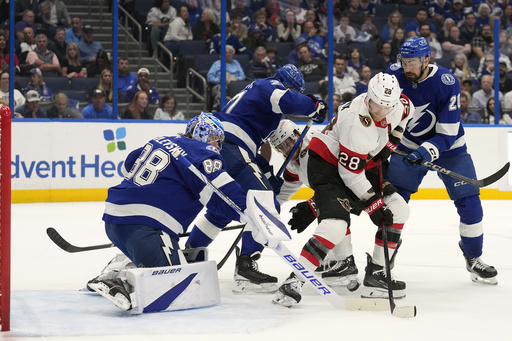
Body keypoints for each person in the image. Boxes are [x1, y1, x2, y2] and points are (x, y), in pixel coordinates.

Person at [87, 112, 290, 312]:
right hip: (147, 226)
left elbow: (127, 165)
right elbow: (224, 192)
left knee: (176, 271)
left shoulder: (161, 139)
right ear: (202, 133)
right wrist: (254, 217)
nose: (218, 146)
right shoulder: (202, 152)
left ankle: (120, 263)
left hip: (115, 217)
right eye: (215, 139)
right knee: (176, 287)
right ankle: (119, 281)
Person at [272, 73, 414, 306]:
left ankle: (377, 274)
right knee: (335, 225)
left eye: (387, 106)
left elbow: (409, 110)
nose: (382, 111)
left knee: (399, 210)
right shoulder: (355, 124)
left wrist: (391, 143)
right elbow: (349, 176)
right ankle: (295, 279)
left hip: (359, 163)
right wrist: (372, 205)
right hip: (327, 166)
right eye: (377, 105)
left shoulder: (398, 105)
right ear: (368, 97)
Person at [185, 64, 326, 294]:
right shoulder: (268, 86)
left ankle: (191, 253)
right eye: (293, 90)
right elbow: (287, 99)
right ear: (286, 83)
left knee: (221, 208)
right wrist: (313, 104)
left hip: (224, 147)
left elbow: (256, 152)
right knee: (265, 203)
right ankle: (246, 264)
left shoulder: (256, 99)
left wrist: (267, 173)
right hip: (232, 145)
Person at [386, 37, 498, 285]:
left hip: (450, 148)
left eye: (412, 62)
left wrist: (426, 151)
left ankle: (474, 258)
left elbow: (447, 132)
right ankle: (384, 257)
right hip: (407, 146)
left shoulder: (446, 82)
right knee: (393, 202)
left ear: (427, 59)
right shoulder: (394, 75)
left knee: (470, 203)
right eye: (403, 62)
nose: (407, 68)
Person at [268, 119, 359, 291]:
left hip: (362, 185)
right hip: (343, 190)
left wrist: (313, 205)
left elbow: (342, 183)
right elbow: (285, 190)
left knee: (332, 216)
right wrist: (266, 207)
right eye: (280, 147)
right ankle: (343, 262)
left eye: (287, 143)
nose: (286, 150)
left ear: (296, 134)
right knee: (332, 214)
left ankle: (375, 270)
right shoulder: (295, 164)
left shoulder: (318, 148)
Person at [206, 44, 245, 111]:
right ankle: (217, 110)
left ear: (233, 54)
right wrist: (220, 81)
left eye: (230, 53)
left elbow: (242, 76)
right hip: (219, 85)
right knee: (222, 89)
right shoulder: (217, 63)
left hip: (234, 84)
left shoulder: (236, 63)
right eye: (226, 53)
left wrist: (235, 81)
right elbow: (209, 77)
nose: (228, 54)